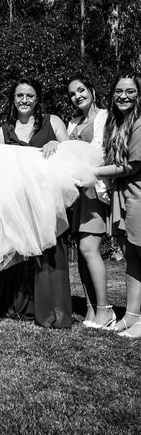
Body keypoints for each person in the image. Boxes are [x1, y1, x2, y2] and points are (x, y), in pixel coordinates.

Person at [0, 77, 73, 328]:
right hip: (19, 201)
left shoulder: (52, 122)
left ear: (37, 99)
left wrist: (57, 144)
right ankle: (23, 306)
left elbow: (72, 153)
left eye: (30, 96)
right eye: (20, 96)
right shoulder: (2, 131)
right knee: (23, 253)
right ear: (13, 100)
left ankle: (53, 309)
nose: (24, 100)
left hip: (47, 199)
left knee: (50, 252)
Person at [94, 72, 141, 338]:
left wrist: (97, 172)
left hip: (138, 195)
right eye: (119, 91)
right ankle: (131, 316)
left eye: (131, 91)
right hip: (124, 196)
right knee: (132, 259)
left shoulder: (139, 123)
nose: (124, 96)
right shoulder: (117, 122)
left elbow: (133, 165)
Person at [66, 75, 113, 329]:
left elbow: (108, 151)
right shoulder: (72, 122)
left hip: (95, 190)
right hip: (77, 194)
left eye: (81, 90)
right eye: (73, 94)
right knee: (82, 255)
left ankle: (105, 310)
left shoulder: (106, 116)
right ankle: (91, 309)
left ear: (92, 91)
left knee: (88, 249)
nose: (77, 96)